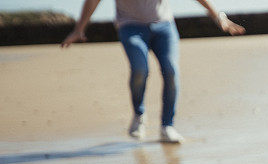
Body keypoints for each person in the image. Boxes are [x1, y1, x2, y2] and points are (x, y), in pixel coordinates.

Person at [61, 0, 244, 143]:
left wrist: (219, 17)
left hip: (164, 26)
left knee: (171, 71)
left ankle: (167, 126)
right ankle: (139, 114)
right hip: (130, 27)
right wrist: (79, 29)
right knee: (140, 69)